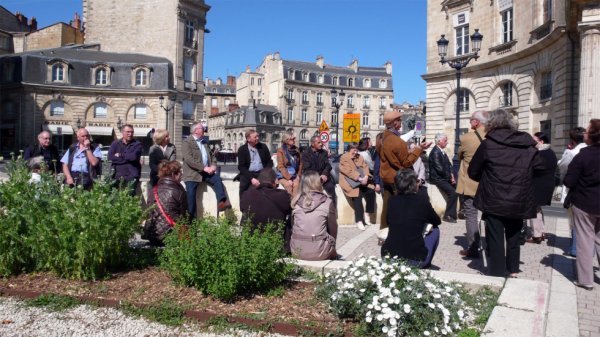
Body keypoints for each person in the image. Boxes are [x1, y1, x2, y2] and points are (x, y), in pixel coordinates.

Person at [468, 109, 545, 278]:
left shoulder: (488, 143)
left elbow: (473, 171)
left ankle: (496, 272)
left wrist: (488, 177)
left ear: (491, 124)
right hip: (519, 197)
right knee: (514, 235)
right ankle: (513, 269)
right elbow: (540, 168)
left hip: (494, 197)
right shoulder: (527, 144)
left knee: (495, 237)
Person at [376, 110, 431, 229]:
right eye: (399, 120)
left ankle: (384, 232)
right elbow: (406, 162)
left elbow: (384, 156)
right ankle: (400, 232)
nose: (401, 122)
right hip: (398, 179)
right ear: (395, 123)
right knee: (402, 207)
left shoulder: (380, 138)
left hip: (385, 177)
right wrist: (419, 149)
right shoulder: (397, 141)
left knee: (386, 206)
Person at [563, 119, 600, 291]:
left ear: (592, 135)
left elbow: (569, 180)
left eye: (586, 131)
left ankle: (585, 280)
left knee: (585, 242)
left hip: (585, 203)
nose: (584, 133)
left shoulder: (583, 155)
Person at [381, 168, 441, 269]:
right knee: (435, 230)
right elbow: (436, 221)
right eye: (417, 181)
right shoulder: (422, 201)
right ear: (413, 184)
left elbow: (388, 221)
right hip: (415, 259)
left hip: (388, 256)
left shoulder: (392, 201)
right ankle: (426, 264)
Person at [456, 110, 489, 258]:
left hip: (470, 183)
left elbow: (460, 155)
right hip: (489, 184)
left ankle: (473, 248)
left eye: (471, 120)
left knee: (471, 215)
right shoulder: (493, 137)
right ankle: (491, 247)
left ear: (476, 122)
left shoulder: (466, 138)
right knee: (490, 217)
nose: (470, 123)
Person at [182, 123, 231, 218]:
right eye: (202, 128)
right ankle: (190, 222)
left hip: (206, 173)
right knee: (191, 199)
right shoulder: (187, 142)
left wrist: (213, 165)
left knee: (217, 179)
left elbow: (212, 156)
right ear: (196, 130)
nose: (204, 129)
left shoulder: (204, 142)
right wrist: (204, 168)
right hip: (192, 174)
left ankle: (222, 202)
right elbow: (189, 159)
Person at [290, 171, 338, 261]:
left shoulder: (295, 202)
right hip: (320, 252)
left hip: (297, 251)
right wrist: (333, 248)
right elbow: (333, 230)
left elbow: (293, 227)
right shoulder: (327, 202)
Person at [557, 127, 587, 257]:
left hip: (576, 191)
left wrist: (567, 152)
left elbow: (562, 167)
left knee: (575, 221)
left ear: (572, 140)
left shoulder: (572, 153)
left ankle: (575, 248)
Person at [143, 160, 188, 246]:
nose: (181, 176)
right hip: (170, 236)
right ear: (173, 174)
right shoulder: (179, 191)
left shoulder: (153, 190)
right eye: (180, 173)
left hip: (152, 236)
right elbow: (183, 217)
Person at [240, 167, 292, 233]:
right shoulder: (283, 195)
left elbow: (242, 209)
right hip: (275, 237)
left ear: (259, 181)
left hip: (251, 238)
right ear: (275, 181)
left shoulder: (246, 194)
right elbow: (290, 210)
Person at [528, 131, 558, 244]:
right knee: (538, 208)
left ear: (541, 141)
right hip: (547, 183)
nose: (531, 143)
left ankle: (537, 235)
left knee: (533, 209)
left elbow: (534, 168)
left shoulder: (540, 153)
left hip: (538, 184)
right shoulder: (550, 152)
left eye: (534, 140)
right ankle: (542, 232)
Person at [339, 142, 376, 230]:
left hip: (362, 180)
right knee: (357, 196)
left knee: (371, 192)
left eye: (356, 150)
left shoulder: (360, 157)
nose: (355, 152)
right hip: (349, 181)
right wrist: (359, 178)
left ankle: (367, 213)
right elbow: (348, 171)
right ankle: (359, 220)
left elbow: (365, 167)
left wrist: (366, 176)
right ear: (349, 150)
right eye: (354, 150)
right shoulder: (344, 157)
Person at [429, 133, 458, 223]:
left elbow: (449, 165)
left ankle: (459, 212)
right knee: (452, 193)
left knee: (458, 189)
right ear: (439, 141)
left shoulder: (442, 151)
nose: (447, 142)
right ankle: (448, 215)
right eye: (445, 140)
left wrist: (452, 175)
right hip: (438, 179)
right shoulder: (435, 152)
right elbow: (440, 169)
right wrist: (450, 178)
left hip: (443, 177)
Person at [236, 129, 273, 200]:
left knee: (268, 187)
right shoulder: (242, 149)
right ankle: (244, 208)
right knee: (243, 186)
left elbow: (269, 162)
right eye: (255, 137)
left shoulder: (263, 147)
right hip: (248, 173)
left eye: (258, 136)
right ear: (248, 139)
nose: (258, 138)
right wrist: (251, 178)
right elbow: (241, 167)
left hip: (262, 172)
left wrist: (266, 172)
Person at [301, 135, 336, 206]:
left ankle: (333, 210)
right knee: (311, 192)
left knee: (331, 188)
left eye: (321, 142)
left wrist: (324, 174)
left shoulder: (324, 153)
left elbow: (328, 165)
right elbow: (307, 168)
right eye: (319, 142)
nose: (321, 144)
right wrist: (317, 177)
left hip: (324, 178)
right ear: (313, 144)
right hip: (311, 178)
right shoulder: (305, 154)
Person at [108, 124, 143, 195]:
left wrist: (120, 155)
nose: (130, 134)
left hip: (131, 176)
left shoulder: (137, 144)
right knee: (114, 198)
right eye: (128, 132)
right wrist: (127, 158)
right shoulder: (115, 143)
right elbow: (110, 157)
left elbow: (133, 157)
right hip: (116, 176)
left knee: (129, 198)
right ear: (122, 132)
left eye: (132, 132)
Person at [276, 131, 303, 196]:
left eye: (294, 138)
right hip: (283, 175)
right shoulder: (281, 150)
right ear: (287, 140)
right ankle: (289, 204)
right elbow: (281, 166)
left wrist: (298, 175)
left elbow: (300, 164)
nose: (294, 140)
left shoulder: (296, 150)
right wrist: (289, 178)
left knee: (296, 184)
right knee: (288, 185)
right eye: (293, 139)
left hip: (295, 175)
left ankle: (294, 203)